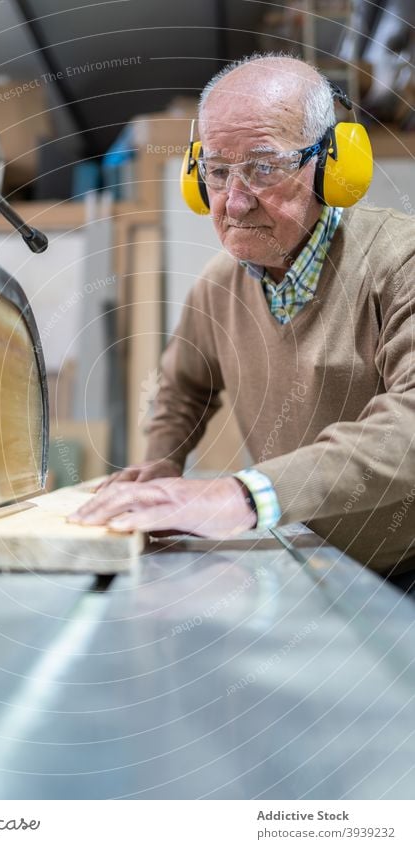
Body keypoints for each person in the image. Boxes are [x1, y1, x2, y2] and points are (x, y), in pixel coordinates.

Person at [69, 53, 415, 579]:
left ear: (334, 164)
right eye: (216, 169)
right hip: (311, 563)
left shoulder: (400, 261)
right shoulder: (218, 287)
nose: (233, 202)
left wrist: (243, 495)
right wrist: (164, 461)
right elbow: (183, 387)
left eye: (263, 167)